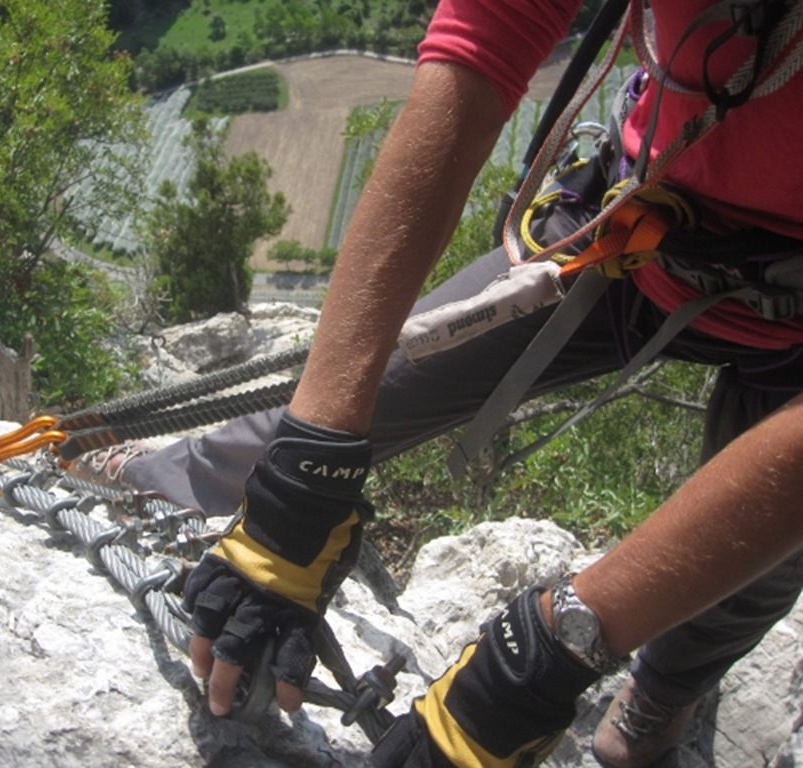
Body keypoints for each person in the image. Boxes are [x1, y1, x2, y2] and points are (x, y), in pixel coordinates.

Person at [77, 1, 803, 765]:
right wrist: (310, 461)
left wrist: (544, 657)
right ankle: (158, 478)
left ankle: (669, 684)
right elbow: (485, 35)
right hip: (627, 228)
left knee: (759, 564)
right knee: (360, 391)